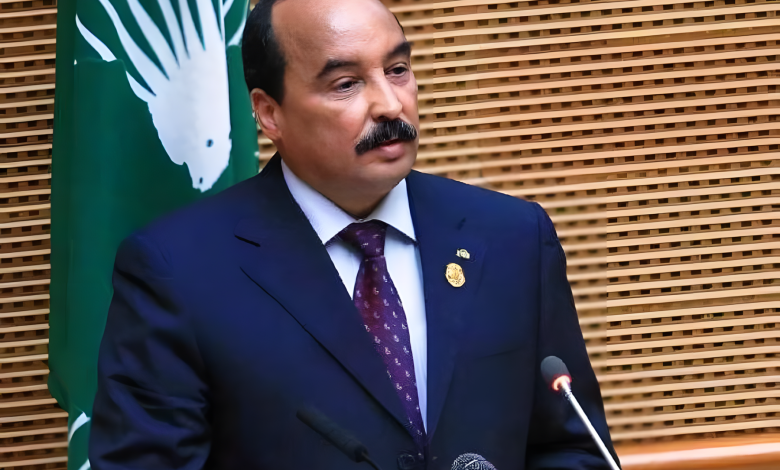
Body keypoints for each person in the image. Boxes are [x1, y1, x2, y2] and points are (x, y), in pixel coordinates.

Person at [89, 0, 620, 469]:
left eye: (398, 69)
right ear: (270, 113)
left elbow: (572, 448)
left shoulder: (512, 238)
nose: (390, 104)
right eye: (346, 83)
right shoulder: (178, 272)